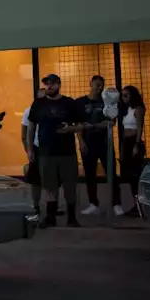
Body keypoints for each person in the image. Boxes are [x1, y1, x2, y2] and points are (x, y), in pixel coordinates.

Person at [26, 74, 84, 227]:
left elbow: (80, 125)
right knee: (49, 186)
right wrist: (30, 149)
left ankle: (72, 217)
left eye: (52, 83)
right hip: (46, 152)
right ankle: (50, 216)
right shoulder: (38, 104)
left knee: (69, 185)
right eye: (46, 84)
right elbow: (31, 127)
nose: (49, 86)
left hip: (67, 152)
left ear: (59, 84)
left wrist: (69, 129)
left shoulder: (69, 103)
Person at [77, 75, 118, 216]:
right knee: (90, 175)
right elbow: (78, 124)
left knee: (111, 173)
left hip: (105, 143)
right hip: (88, 144)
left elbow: (111, 122)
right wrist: (81, 141)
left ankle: (116, 203)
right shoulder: (81, 102)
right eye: (97, 85)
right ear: (91, 84)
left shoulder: (107, 102)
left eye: (101, 85)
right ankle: (93, 203)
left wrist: (93, 126)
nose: (99, 88)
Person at [118, 85, 147, 218]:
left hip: (134, 142)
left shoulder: (138, 109)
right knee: (129, 175)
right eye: (122, 95)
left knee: (135, 175)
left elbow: (140, 128)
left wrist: (136, 144)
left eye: (126, 95)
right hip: (126, 142)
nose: (124, 98)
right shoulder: (127, 109)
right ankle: (136, 203)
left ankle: (140, 204)